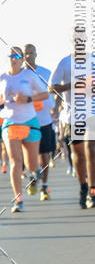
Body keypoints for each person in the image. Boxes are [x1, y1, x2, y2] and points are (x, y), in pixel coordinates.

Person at [50, 31, 95, 209]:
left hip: (93, 113)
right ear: (72, 42)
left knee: (92, 151)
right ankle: (83, 186)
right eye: (76, 40)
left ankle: (93, 189)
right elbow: (52, 87)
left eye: (82, 39)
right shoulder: (65, 62)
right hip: (73, 116)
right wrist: (71, 85)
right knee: (79, 155)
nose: (79, 42)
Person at [0, 46, 48, 213]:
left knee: (31, 163)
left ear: (22, 59)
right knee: (15, 161)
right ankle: (18, 200)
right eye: (11, 55)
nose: (14, 58)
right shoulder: (2, 78)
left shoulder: (29, 75)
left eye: (17, 55)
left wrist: (27, 98)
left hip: (30, 121)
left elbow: (45, 94)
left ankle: (35, 175)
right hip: (10, 122)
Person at [23, 44, 56, 199]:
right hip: (26, 120)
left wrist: (54, 108)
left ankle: (44, 186)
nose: (28, 56)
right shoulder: (19, 75)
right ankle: (33, 176)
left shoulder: (45, 72)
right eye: (25, 53)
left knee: (44, 155)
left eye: (31, 53)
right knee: (30, 155)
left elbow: (51, 94)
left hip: (44, 120)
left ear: (36, 54)